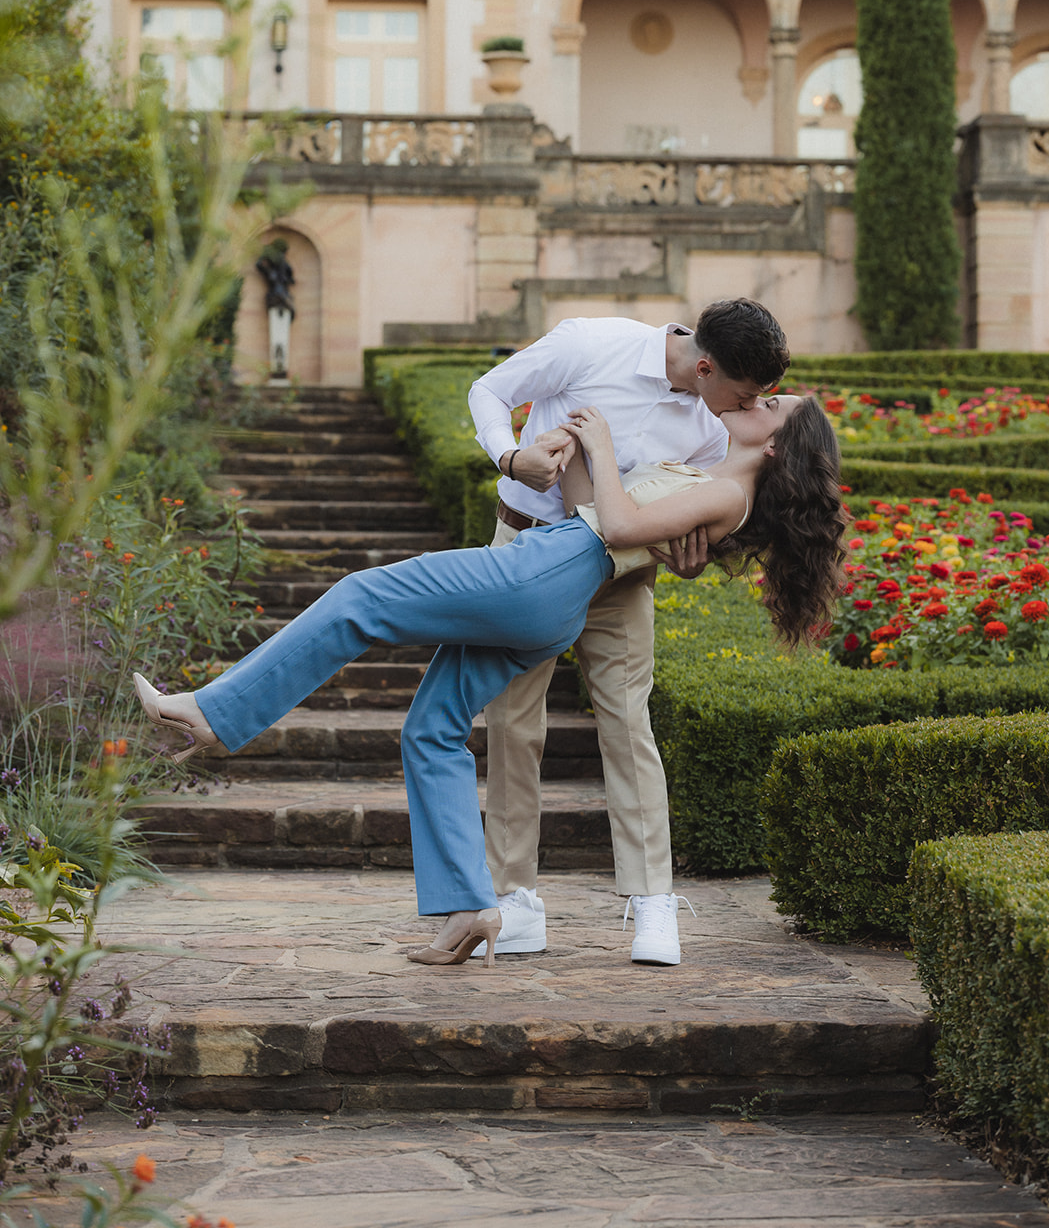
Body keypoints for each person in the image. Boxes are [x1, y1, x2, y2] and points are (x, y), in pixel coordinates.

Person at [132, 393, 844, 970]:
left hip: (541, 573)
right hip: (555, 588)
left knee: (359, 596)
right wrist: (565, 442)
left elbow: (619, 525)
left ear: (776, 444)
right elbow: (594, 508)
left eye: (774, 404)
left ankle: (214, 713)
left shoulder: (727, 492)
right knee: (432, 728)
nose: (759, 398)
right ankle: (468, 907)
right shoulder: (711, 476)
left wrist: (597, 438)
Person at [467, 300, 789, 964]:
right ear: (704, 367)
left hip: (620, 572)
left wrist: (687, 553)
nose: (753, 404)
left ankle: (651, 902)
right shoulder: (591, 345)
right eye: (748, 391)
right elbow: (489, 389)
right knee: (513, 722)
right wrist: (509, 455)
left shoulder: (712, 419)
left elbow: (681, 509)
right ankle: (514, 900)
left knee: (627, 720)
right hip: (527, 548)